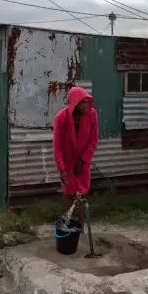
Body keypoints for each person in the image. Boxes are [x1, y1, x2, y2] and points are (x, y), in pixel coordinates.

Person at [53, 86, 99, 226]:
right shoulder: (61, 117)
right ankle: (64, 224)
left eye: (87, 102)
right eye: (82, 102)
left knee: (80, 195)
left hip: (83, 161)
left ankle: (80, 225)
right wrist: (61, 169)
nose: (86, 105)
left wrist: (83, 160)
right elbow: (57, 146)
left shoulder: (92, 115)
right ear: (74, 103)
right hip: (66, 161)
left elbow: (93, 141)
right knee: (68, 194)